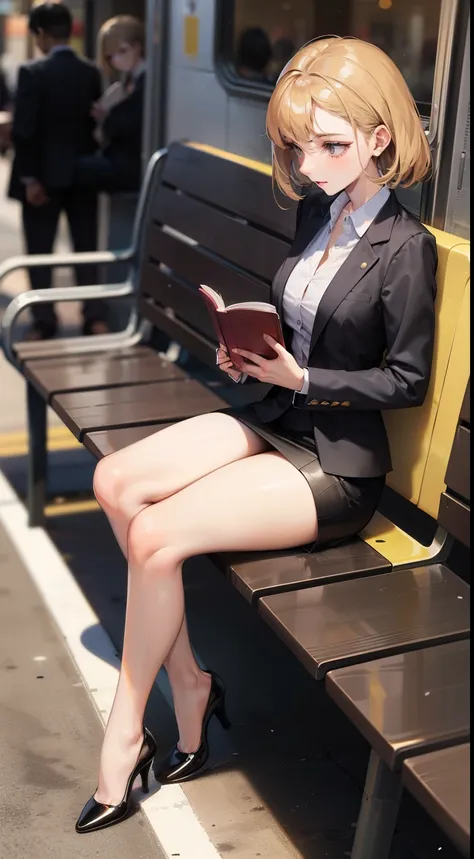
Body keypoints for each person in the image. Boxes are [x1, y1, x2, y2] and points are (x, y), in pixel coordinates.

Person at [75, 36, 436, 834]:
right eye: (301, 145)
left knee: (159, 534)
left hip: (336, 465)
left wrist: (305, 382)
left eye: (332, 145)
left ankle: (126, 733)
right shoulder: (317, 211)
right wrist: (251, 356)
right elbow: (302, 326)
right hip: (275, 416)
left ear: (381, 140)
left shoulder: (404, 250)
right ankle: (193, 685)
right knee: (115, 483)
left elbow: (406, 383)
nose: (311, 163)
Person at [7, 2, 108, 341]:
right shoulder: (91, 71)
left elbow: (24, 131)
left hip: (43, 178)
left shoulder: (32, 72)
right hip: (83, 175)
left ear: (40, 34)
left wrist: (30, 179)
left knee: (39, 252)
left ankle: (44, 320)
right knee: (86, 248)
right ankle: (94, 317)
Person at [74, 16, 145, 193]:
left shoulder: (144, 81)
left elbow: (131, 122)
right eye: (111, 56)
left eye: (122, 51)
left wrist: (107, 117)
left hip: (130, 162)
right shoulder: (130, 79)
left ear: (138, 47)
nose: (117, 60)